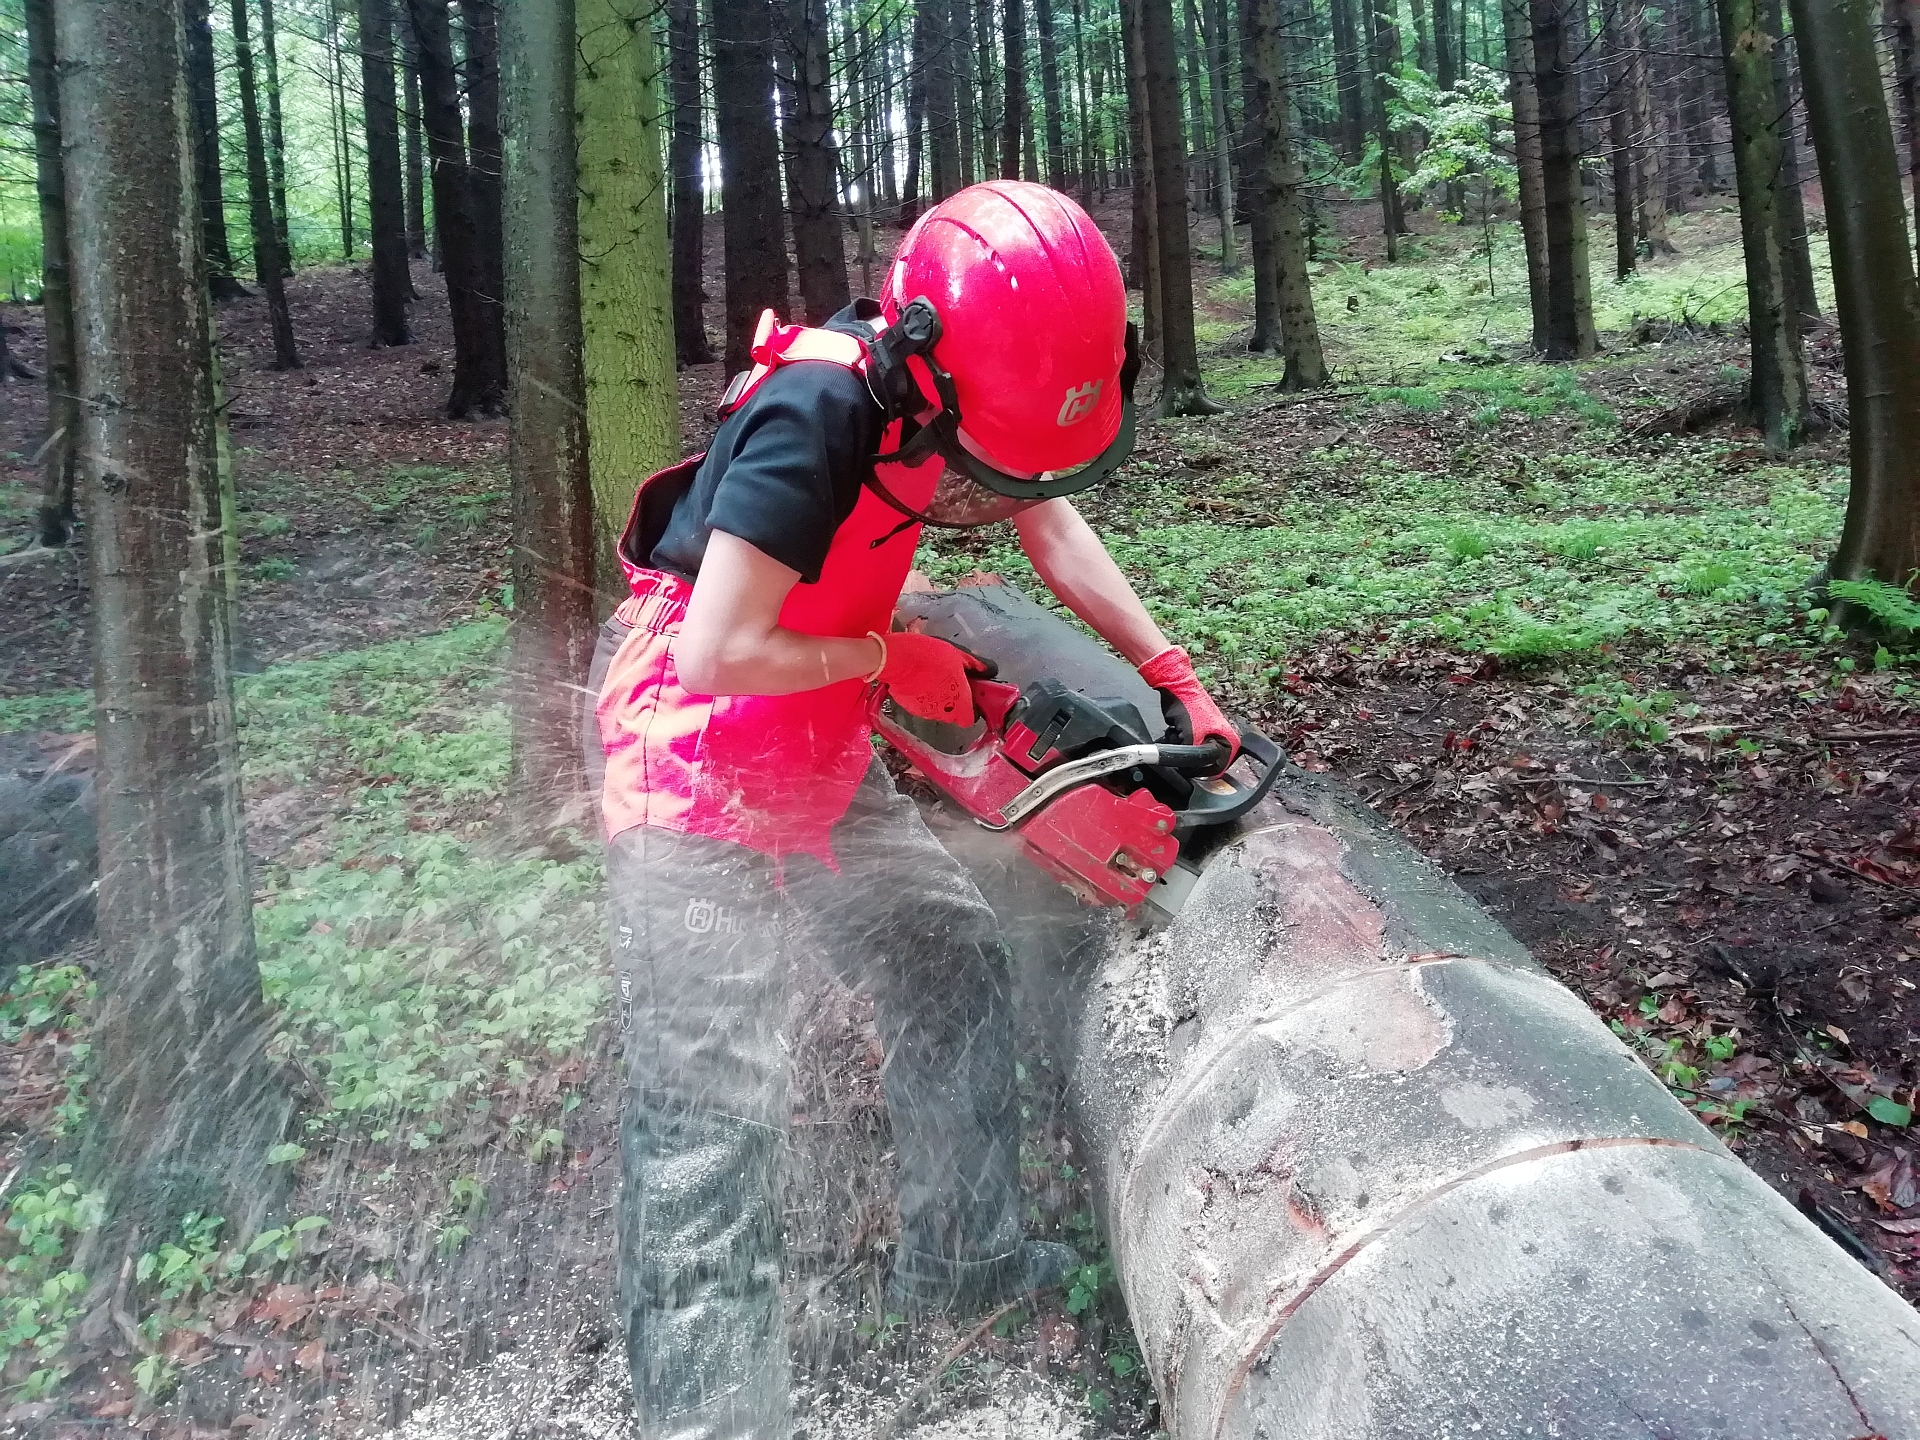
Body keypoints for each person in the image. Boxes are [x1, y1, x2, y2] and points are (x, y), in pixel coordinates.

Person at [589, 180, 1238, 1440]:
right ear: (931, 364)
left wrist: (1172, 672)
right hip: (691, 750)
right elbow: (718, 649)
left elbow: (1048, 517)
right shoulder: (817, 411)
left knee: (944, 955)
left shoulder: (967, 387)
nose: (992, 481)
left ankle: (963, 1262)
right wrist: (888, 659)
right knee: (710, 1113)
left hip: (815, 730)